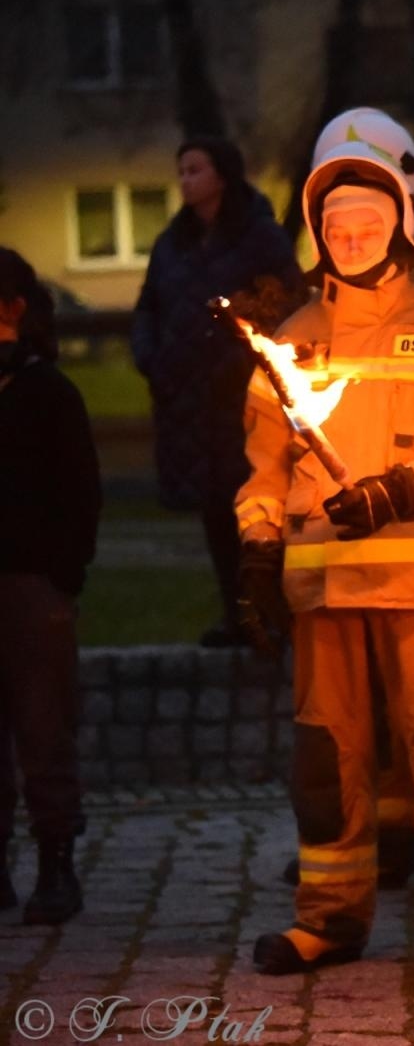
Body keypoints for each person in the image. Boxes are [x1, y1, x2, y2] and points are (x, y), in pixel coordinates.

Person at [237, 128, 414, 978]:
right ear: (319, 236)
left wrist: (403, 488)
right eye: (337, 227)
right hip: (323, 594)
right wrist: (254, 552)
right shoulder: (289, 343)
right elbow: (262, 470)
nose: (351, 238)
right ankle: (328, 919)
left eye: (367, 221)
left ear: (399, 225)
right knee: (328, 763)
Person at [131, 137, 304, 647]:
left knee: (258, 506)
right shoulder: (173, 242)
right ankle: (237, 614)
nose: (185, 180)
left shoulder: (259, 238)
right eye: (180, 171)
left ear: (221, 175)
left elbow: (285, 305)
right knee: (214, 510)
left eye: (194, 170)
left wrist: (245, 363)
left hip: (243, 400)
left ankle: (273, 611)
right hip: (189, 399)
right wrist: (152, 357)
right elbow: (149, 306)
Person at [0, 248, 100, 926]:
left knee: (42, 724)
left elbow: (79, 492)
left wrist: (61, 574)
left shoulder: (47, 393)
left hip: (31, 581)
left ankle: (55, 861)